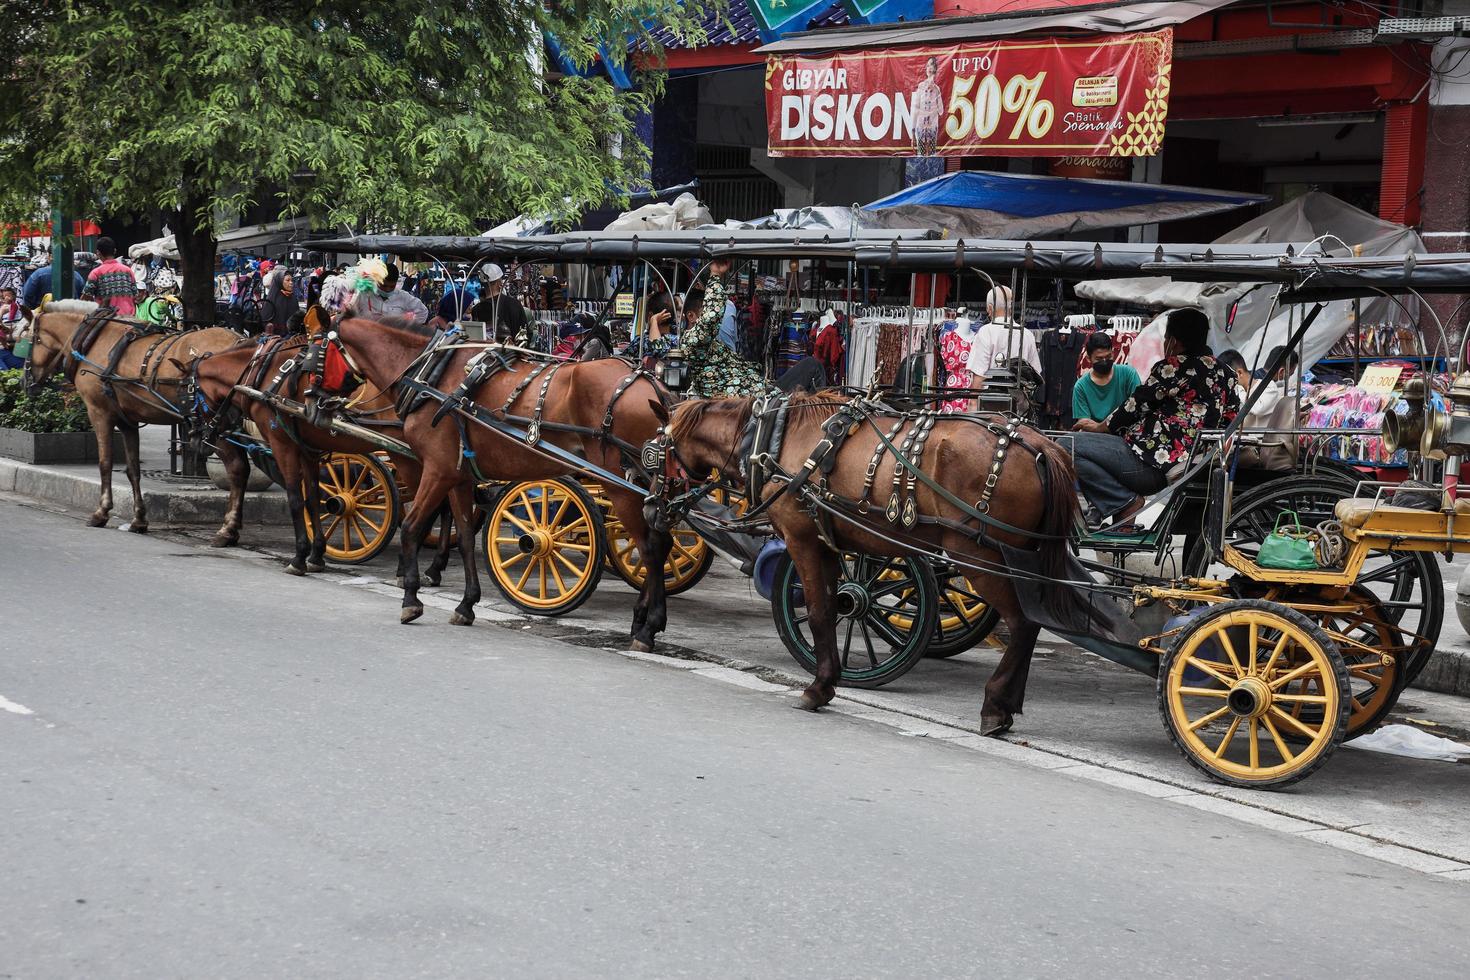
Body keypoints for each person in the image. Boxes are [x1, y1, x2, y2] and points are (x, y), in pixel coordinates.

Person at [1069, 308, 1240, 526]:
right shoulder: (1227, 373)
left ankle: (1123, 502)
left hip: (1153, 463)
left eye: (1167, 338)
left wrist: (1098, 427)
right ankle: (1122, 512)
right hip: (1197, 462)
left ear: (1174, 341)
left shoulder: (1171, 367)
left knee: (1067, 445)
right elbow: (1231, 419)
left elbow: (1133, 407)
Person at [646, 257, 765, 397]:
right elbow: (711, 317)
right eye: (704, 310)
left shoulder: (689, 339)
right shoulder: (693, 339)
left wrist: (654, 321)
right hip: (736, 400)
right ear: (691, 316)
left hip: (750, 391)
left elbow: (658, 346)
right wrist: (715, 275)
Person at [1218, 347, 1299, 471]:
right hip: (1242, 442)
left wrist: (1236, 389)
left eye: (1227, 379)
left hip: (1256, 446)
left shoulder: (1267, 387)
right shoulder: (1244, 391)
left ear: (1239, 374)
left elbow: (1255, 408)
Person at [966, 286, 1042, 402]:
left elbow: (979, 376)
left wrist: (972, 404)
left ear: (990, 308)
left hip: (990, 406)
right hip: (1020, 406)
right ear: (1011, 308)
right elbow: (1035, 375)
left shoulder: (986, 332)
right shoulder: (1026, 334)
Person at [1072, 331, 1141, 425]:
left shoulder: (1128, 374)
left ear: (1112, 353)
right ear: (1088, 358)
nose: (1104, 361)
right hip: (1097, 436)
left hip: (1126, 431)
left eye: (1108, 357)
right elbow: (1084, 422)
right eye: (1099, 359)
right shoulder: (1081, 387)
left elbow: (1139, 407)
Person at [349, 261, 429, 324]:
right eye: (384, 286)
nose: (387, 289)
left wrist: (406, 327)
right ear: (377, 281)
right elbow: (350, 314)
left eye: (391, 287)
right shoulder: (364, 295)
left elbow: (423, 312)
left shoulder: (404, 297)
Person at [81, 237, 140, 316]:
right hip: (129, 319)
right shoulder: (128, 271)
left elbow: (85, 298)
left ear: (98, 253)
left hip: (106, 320)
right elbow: (136, 296)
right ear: (115, 251)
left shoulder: (95, 273)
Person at [468, 264, 529, 342]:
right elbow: (525, 332)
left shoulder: (476, 309)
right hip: (512, 351)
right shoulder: (515, 304)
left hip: (485, 352)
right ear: (499, 282)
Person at [911, 56, 943, 157]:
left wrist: (937, 93)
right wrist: (912, 134)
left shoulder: (937, 89)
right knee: (921, 155)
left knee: (932, 155)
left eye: (932, 65)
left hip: (932, 127)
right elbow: (915, 109)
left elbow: (941, 111)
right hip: (920, 127)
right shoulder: (921, 86)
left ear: (935, 69)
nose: (929, 68)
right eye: (927, 65)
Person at [20, 261, 86, 310]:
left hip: (43, 318)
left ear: (50, 256)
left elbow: (27, 294)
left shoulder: (39, 273)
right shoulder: (77, 276)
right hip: (69, 319)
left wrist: (34, 312)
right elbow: (83, 298)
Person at [1, 286, 26, 369]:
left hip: (13, 330)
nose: (6, 298)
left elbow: (11, 318)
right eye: (4, 296)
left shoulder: (14, 305)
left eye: (9, 295)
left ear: (14, 296)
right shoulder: (3, 307)